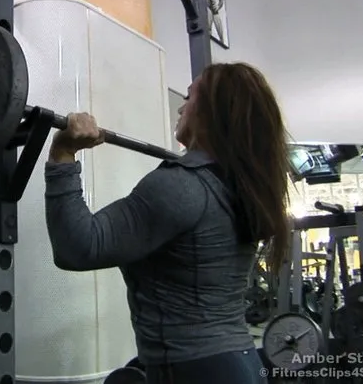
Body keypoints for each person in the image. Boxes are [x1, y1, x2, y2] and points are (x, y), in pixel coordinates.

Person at [43, 63, 290, 384]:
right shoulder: (237, 186)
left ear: (213, 112)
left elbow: (77, 248)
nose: (182, 107)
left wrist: (63, 152)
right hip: (243, 361)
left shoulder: (180, 187)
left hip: (196, 370)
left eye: (190, 98)